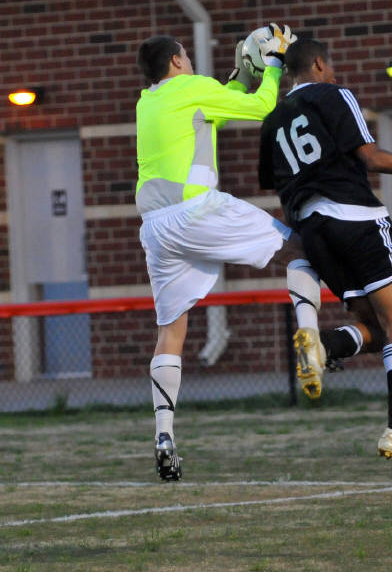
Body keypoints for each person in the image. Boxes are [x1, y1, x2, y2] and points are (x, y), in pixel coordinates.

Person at [258, 38, 392, 481]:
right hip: (355, 218)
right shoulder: (334, 94)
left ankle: (325, 346)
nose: (336, 73)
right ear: (319, 64)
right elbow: (370, 157)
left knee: (375, 330)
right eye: (332, 66)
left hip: (314, 231)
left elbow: (278, 185)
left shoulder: (273, 119)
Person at [135, 27, 326, 482]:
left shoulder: (148, 102)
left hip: (156, 227)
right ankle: (310, 339)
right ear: (177, 62)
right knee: (297, 249)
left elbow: (214, 111)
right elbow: (262, 107)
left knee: (171, 331)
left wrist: (240, 75)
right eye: (186, 55)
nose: (189, 61)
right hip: (196, 210)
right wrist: (273, 64)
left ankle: (164, 435)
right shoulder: (192, 87)